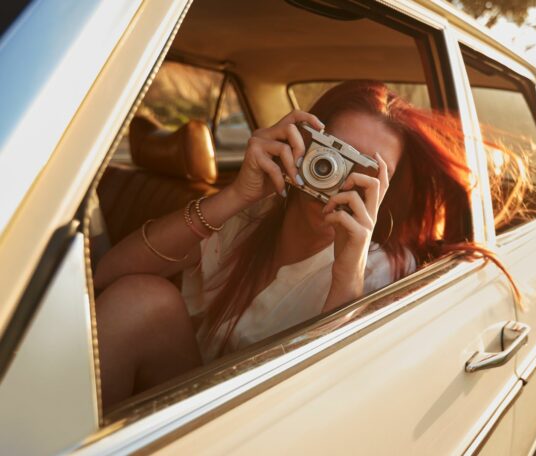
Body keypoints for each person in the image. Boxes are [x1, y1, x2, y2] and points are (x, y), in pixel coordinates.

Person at [93, 80, 505, 411]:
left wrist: (348, 269)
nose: (338, 176)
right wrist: (235, 195)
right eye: (332, 152)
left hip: (268, 427)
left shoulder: (386, 271)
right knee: (139, 299)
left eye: (366, 170)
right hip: (183, 402)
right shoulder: (251, 215)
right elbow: (108, 278)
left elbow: (332, 409)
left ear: (388, 190)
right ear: (302, 141)